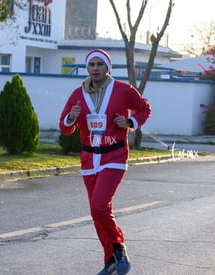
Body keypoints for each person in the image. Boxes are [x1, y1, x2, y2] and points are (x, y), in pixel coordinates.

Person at [59, 49, 151, 275]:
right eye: (92, 65)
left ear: (108, 67)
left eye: (100, 64)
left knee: (100, 206)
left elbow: (145, 109)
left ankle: (118, 247)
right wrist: (72, 116)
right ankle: (109, 259)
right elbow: (65, 127)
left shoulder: (122, 90)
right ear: (87, 68)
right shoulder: (77, 94)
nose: (96, 69)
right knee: (96, 211)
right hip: (90, 158)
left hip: (115, 156)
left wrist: (129, 121)